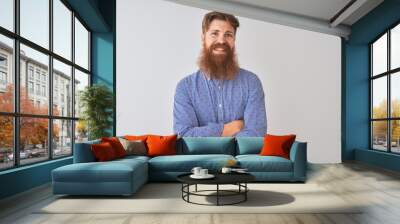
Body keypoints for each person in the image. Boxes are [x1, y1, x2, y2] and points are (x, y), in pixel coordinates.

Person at [173, 11, 267, 137]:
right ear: (203, 38)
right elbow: (183, 135)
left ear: (234, 40)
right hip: (200, 158)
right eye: (214, 34)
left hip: (239, 157)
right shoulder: (185, 87)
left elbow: (256, 134)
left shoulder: (251, 82)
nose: (221, 41)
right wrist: (228, 129)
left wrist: (203, 134)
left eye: (228, 35)